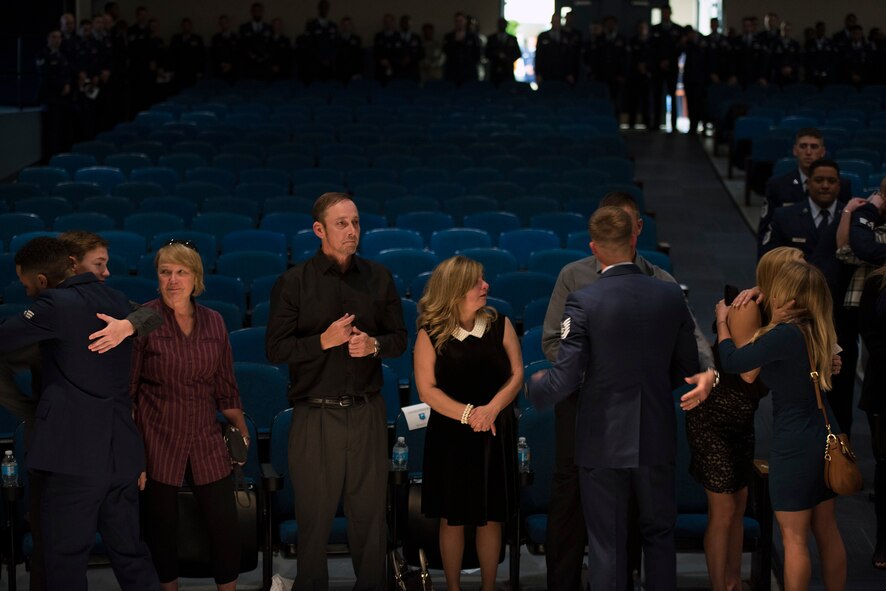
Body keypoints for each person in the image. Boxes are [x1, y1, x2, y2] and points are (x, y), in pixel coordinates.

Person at [540, 193, 715, 591]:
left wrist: (706, 372)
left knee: (619, 536)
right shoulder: (574, 277)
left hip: (619, 422)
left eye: (633, 221)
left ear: (638, 228)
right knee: (584, 516)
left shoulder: (663, 282)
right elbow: (551, 342)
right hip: (596, 412)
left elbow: (695, 350)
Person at [0, 237, 159, 591]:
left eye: (27, 285)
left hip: (75, 458)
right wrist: (130, 325)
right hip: (122, 454)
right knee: (132, 555)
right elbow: (153, 313)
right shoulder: (117, 299)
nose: (27, 293)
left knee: (64, 559)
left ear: (42, 281)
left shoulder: (53, 304)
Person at [265, 193, 407, 591]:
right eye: (342, 223)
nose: (351, 231)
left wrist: (374, 345)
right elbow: (275, 349)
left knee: (370, 518)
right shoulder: (293, 282)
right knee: (314, 521)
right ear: (319, 230)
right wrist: (322, 342)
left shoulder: (379, 277)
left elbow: (399, 338)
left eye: (356, 222)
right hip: (314, 414)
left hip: (366, 411)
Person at [716, 261, 847, 590]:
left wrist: (722, 324)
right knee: (828, 532)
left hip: (795, 441)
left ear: (788, 297)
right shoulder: (818, 325)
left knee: (794, 540)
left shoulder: (785, 335)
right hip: (826, 432)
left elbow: (735, 362)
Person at [131, 241, 247, 591]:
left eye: (181, 272)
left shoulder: (214, 322)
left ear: (195, 277)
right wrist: (135, 455)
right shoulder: (144, 320)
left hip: (205, 436)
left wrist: (240, 429)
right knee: (161, 529)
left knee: (224, 526)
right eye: (165, 272)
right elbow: (128, 393)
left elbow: (226, 386)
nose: (172, 280)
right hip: (156, 437)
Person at [687, 247, 805, 591]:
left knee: (739, 506)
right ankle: (719, 585)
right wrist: (770, 326)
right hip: (714, 418)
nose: (805, 275)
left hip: (742, 419)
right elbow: (750, 372)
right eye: (797, 268)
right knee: (722, 511)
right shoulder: (746, 308)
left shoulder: (782, 309)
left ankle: (734, 581)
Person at [413, 256, 522, 591]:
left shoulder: (500, 323)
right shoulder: (429, 334)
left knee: (491, 515)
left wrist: (490, 410)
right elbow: (427, 390)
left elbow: (518, 374)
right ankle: (454, 588)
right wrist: (467, 414)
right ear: (456, 289)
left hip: (494, 429)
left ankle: (490, 586)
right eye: (478, 282)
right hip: (450, 434)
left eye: (484, 279)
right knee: (453, 516)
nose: (486, 286)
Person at [763, 158, 858, 439]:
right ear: (808, 184)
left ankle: (840, 465)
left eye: (832, 181)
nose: (826, 185)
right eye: (819, 180)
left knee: (842, 399)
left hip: (841, 323)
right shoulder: (785, 217)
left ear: (840, 185)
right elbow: (769, 265)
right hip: (796, 323)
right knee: (798, 396)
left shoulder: (854, 221)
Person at [758, 128, 852, 257]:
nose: (808, 152)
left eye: (814, 147)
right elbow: (765, 231)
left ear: (823, 151)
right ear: (795, 150)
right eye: (803, 146)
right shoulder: (777, 185)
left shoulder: (842, 185)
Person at [859, 263, 886, 569]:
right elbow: (868, 331)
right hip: (883, 384)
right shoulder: (876, 282)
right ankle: (883, 539)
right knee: (885, 462)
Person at [442, 12, 481, 86]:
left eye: (461, 21)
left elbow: (477, 55)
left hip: (469, 72)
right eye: (457, 21)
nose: (459, 23)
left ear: (465, 21)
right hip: (452, 73)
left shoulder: (473, 37)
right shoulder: (449, 37)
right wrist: (455, 42)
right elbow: (446, 52)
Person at [484, 17, 520, 86]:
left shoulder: (512, 39)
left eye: (504, 24)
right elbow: (486, 53)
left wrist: (508, 58)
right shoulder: (491, 38)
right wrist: (497, 55)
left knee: (508, 89)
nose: (502, 26)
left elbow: (517, 53)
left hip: (508, 70)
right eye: (500, 24)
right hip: (494, 70)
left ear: (506, 25)